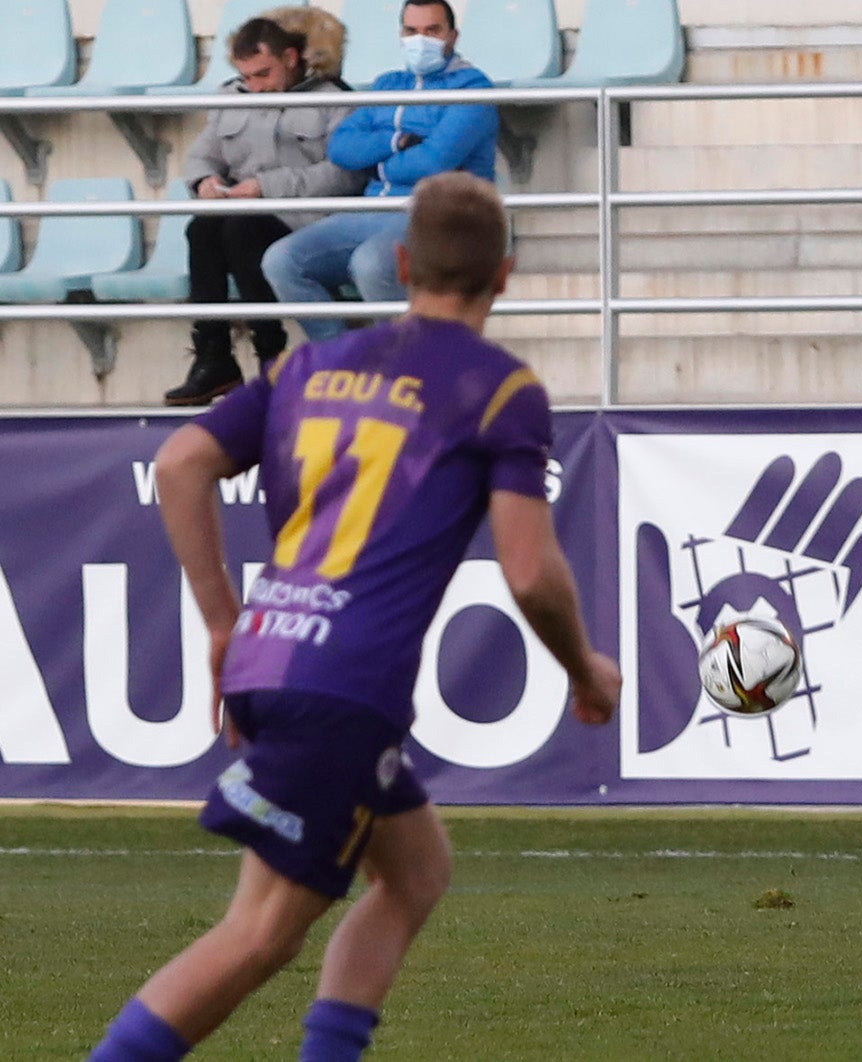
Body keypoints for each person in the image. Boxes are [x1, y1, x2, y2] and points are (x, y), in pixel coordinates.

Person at [88, 171, 620, 1060]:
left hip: (273, 653)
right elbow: (529, 572)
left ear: (403, 263)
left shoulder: (309, 364)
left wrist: (224, 623)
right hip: (346, 685)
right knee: (259, 935)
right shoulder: (498, 389)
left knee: (415, 874)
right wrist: (584, 669)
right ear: (506, 275)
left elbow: (182, 464)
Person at [261, 0, 498, 342]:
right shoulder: (389, 84)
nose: (421, 40)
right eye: (411, 31)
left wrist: (377, 165)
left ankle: (406, 365)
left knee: (371, 263)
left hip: (436, 215)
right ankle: (342, 361)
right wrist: (394, 142)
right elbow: (340, 148)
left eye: (432, 30)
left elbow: (435, 162)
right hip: (371, 210)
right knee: (281, 260)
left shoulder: (474, 88)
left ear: (453, 36)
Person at [166, 11, 367, 406]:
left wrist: (267, 187)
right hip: (243, 211)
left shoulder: (334, 100)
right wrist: (204, 182)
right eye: (247, 77)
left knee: (240, 230)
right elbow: (202, 155)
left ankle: (270, 354)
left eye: (263, 74)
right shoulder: (230, 97)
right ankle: (213, 356)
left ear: (291, 58)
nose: (255, 87)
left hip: (306, 219)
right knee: (202, 229)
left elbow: (346, 175)